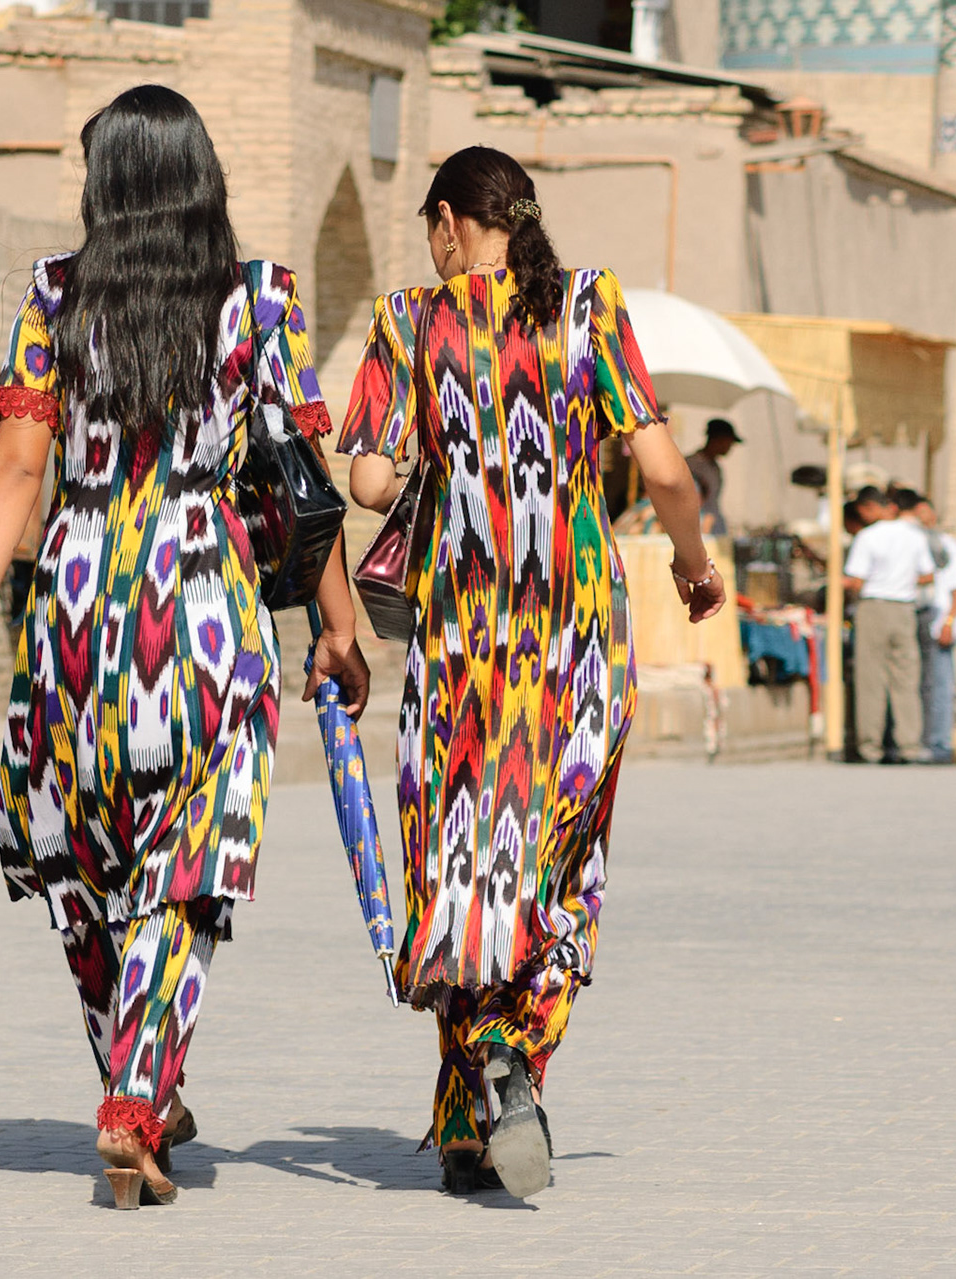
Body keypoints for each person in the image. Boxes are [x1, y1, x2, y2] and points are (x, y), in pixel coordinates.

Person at [0, 85, 369, 1210]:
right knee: (186, 869)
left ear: (109, 181)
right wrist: (339, 622)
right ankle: (137, 1095)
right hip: (203, 600)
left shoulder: (54, 294)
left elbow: (17, 469)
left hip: (77, 601)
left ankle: (139, 1081)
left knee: (84, 866)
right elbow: (297, 481)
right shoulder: (261, 300)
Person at [340, 146, 725, 1200]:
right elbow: (660, 471)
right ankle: (512, 1057)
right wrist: (695, 568)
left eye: (432, 226)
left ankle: (470, 1113)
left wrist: (435, 447)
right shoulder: (591, 308)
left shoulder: (409, 321)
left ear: (452, 223)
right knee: (556, 873)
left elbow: (370, 478)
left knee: (462, 872)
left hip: (462, 652)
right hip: (575, 645)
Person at [843, 486, 934, 764]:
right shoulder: (915, 536)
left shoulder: (867, 537)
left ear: (869, 508)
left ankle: (870, 746)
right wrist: (902, 581)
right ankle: (909, 745)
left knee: (871, 679)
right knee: (906, 679)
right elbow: (928, 575)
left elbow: (856, 580)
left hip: (874, 607)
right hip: (904, 609)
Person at [902, 491, 956, 762]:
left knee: (940, 684)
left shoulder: (945, 544)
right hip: (919, 615)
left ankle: (940, 744)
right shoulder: (912, 542)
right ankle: (921, 739)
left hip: (940, 617)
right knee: (920, 682)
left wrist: (950, 621)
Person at [686, 417, 741, 534]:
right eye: (729, 442)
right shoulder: (692, 465)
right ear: (718, 439)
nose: (730, 447)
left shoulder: (715, 467)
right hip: (696, 528)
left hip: (715, 527)